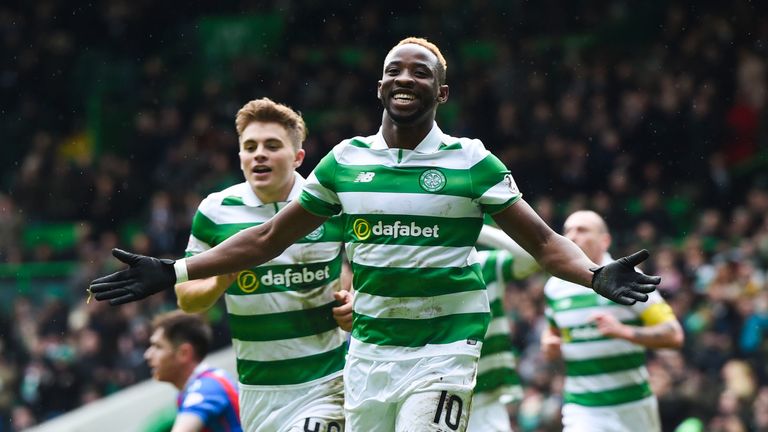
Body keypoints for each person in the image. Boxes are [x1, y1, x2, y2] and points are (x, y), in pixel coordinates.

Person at [90, 37, 660, 432]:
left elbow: (539, 241)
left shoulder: (472, 162)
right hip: (368, 352)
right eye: (395, 69)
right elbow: (267, 240)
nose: (405, 78)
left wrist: (591, 275)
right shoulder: (343, 164)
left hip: (445, 347)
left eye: (421, 73)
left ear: (441, 93)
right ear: (380, 85)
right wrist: (174, 270)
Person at [173, 98, 348, 431]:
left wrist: (353, 299)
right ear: (240, 157)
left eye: (272, 145)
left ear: (298, 157)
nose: (259, 154)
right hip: (256, 389)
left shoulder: (331, 205)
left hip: (326, 382)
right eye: (249, 146)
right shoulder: (215, 211)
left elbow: (356, 266)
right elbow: (186, 299)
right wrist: (219, 281)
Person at [540, 210, 684, 432]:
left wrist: (622, 332)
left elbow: (674, 335)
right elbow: (553, 334)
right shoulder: (554, 287)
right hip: (583, 407)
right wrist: (549, 347)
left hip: (634, 405)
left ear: (604, 240)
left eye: (582, 230)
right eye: (567, 230)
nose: (572, 235)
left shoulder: (629, 278)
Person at [470, 225, 540, 432]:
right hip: (436, 394)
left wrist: (477, 226)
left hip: (486, 398)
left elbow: (531, 257)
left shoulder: (483, 265)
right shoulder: (420, 272)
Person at [145, 310, 242, 432]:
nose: (147, 355)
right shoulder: (187, 393)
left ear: (184, 353)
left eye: (158, 347)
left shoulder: (208, 387)